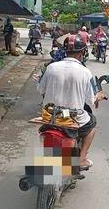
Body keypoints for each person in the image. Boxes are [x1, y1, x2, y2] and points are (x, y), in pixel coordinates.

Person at [38, 34, 105, 168]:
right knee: (92, 125)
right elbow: (91, 100)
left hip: (50, 115)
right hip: (70, 116)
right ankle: (81, 159)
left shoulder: (51, 68)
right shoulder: (85, 72)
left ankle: (53, 162)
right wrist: (99, 96)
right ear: (82, 53)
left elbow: (40, 90)